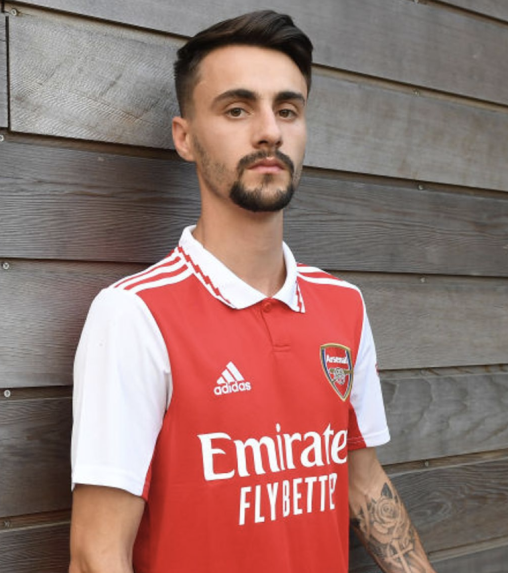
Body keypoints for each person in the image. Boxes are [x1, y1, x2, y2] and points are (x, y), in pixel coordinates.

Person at [69, 10, 436, 573]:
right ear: (184, 138)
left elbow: (361, 482)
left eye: (287, 110)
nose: (270, 131)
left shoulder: (343, 304)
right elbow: (97, 554)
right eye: (237, 109)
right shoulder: (135, 315)